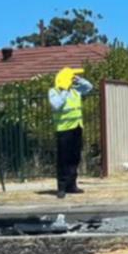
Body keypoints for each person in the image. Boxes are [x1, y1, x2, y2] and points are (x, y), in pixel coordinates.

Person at [48, 67, 94, 198]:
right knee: (64, 159)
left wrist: (78, 79)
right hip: (63, 129)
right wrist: (64, 90)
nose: (73, 80)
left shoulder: (75, 91)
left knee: (75, 158)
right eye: (71, 77)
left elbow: (89, 87)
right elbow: (56, 105)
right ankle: (61, 187)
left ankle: (72, 185)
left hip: (77, 127)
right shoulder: (54, 91)